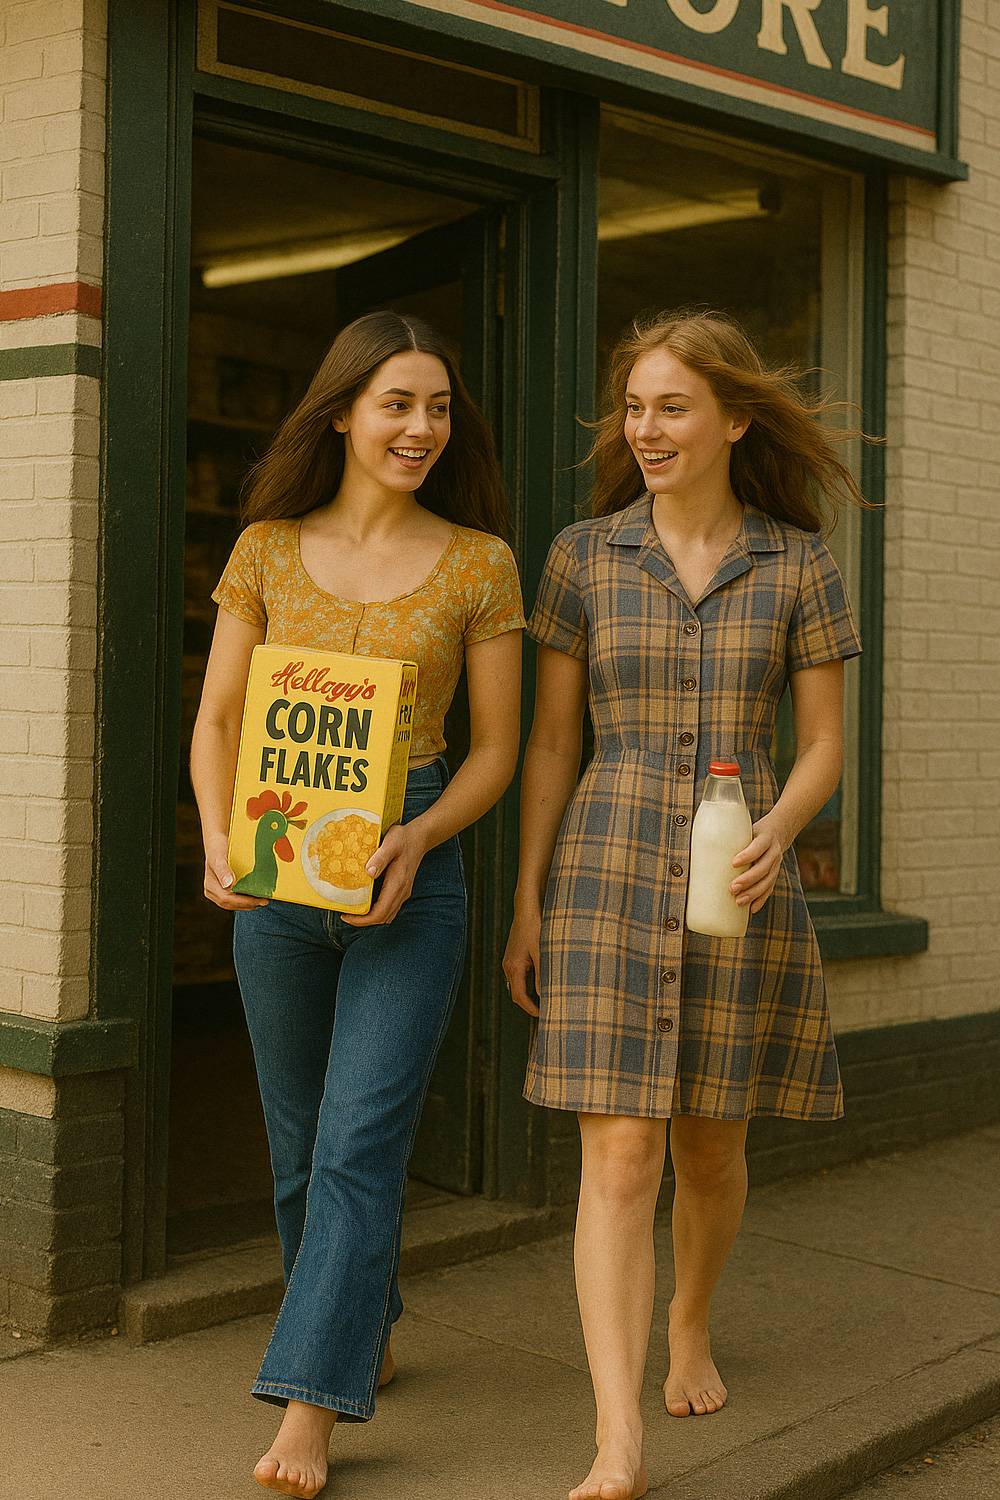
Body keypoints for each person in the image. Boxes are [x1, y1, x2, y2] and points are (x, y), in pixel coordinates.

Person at [503, 309, 865, 1500]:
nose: (644, 429)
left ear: (734, 419)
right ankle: (617, 1437)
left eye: (671, 407)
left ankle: (690, 1319)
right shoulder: (582, 557)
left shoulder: (798, 564)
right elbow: (551, 744)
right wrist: (527, 901)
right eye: (633, 408)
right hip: (604, 872)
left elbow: (822, 745)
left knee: (710, 1147)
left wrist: (780, 827)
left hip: (734, 878)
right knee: (619, 1159)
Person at [191, 311, 524, 1499]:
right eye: (397, 404)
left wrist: (422, 837)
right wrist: (218, 834)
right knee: (297, 1151)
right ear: (341, 413)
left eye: (438, 407)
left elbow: (498, 748)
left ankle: (310, 1407)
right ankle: (360, 1320)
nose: (421, 427)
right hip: (281, 850)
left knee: (358, 1143)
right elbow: (219, 719)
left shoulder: (480, 561)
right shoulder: (267, 550)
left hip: (409, 861)